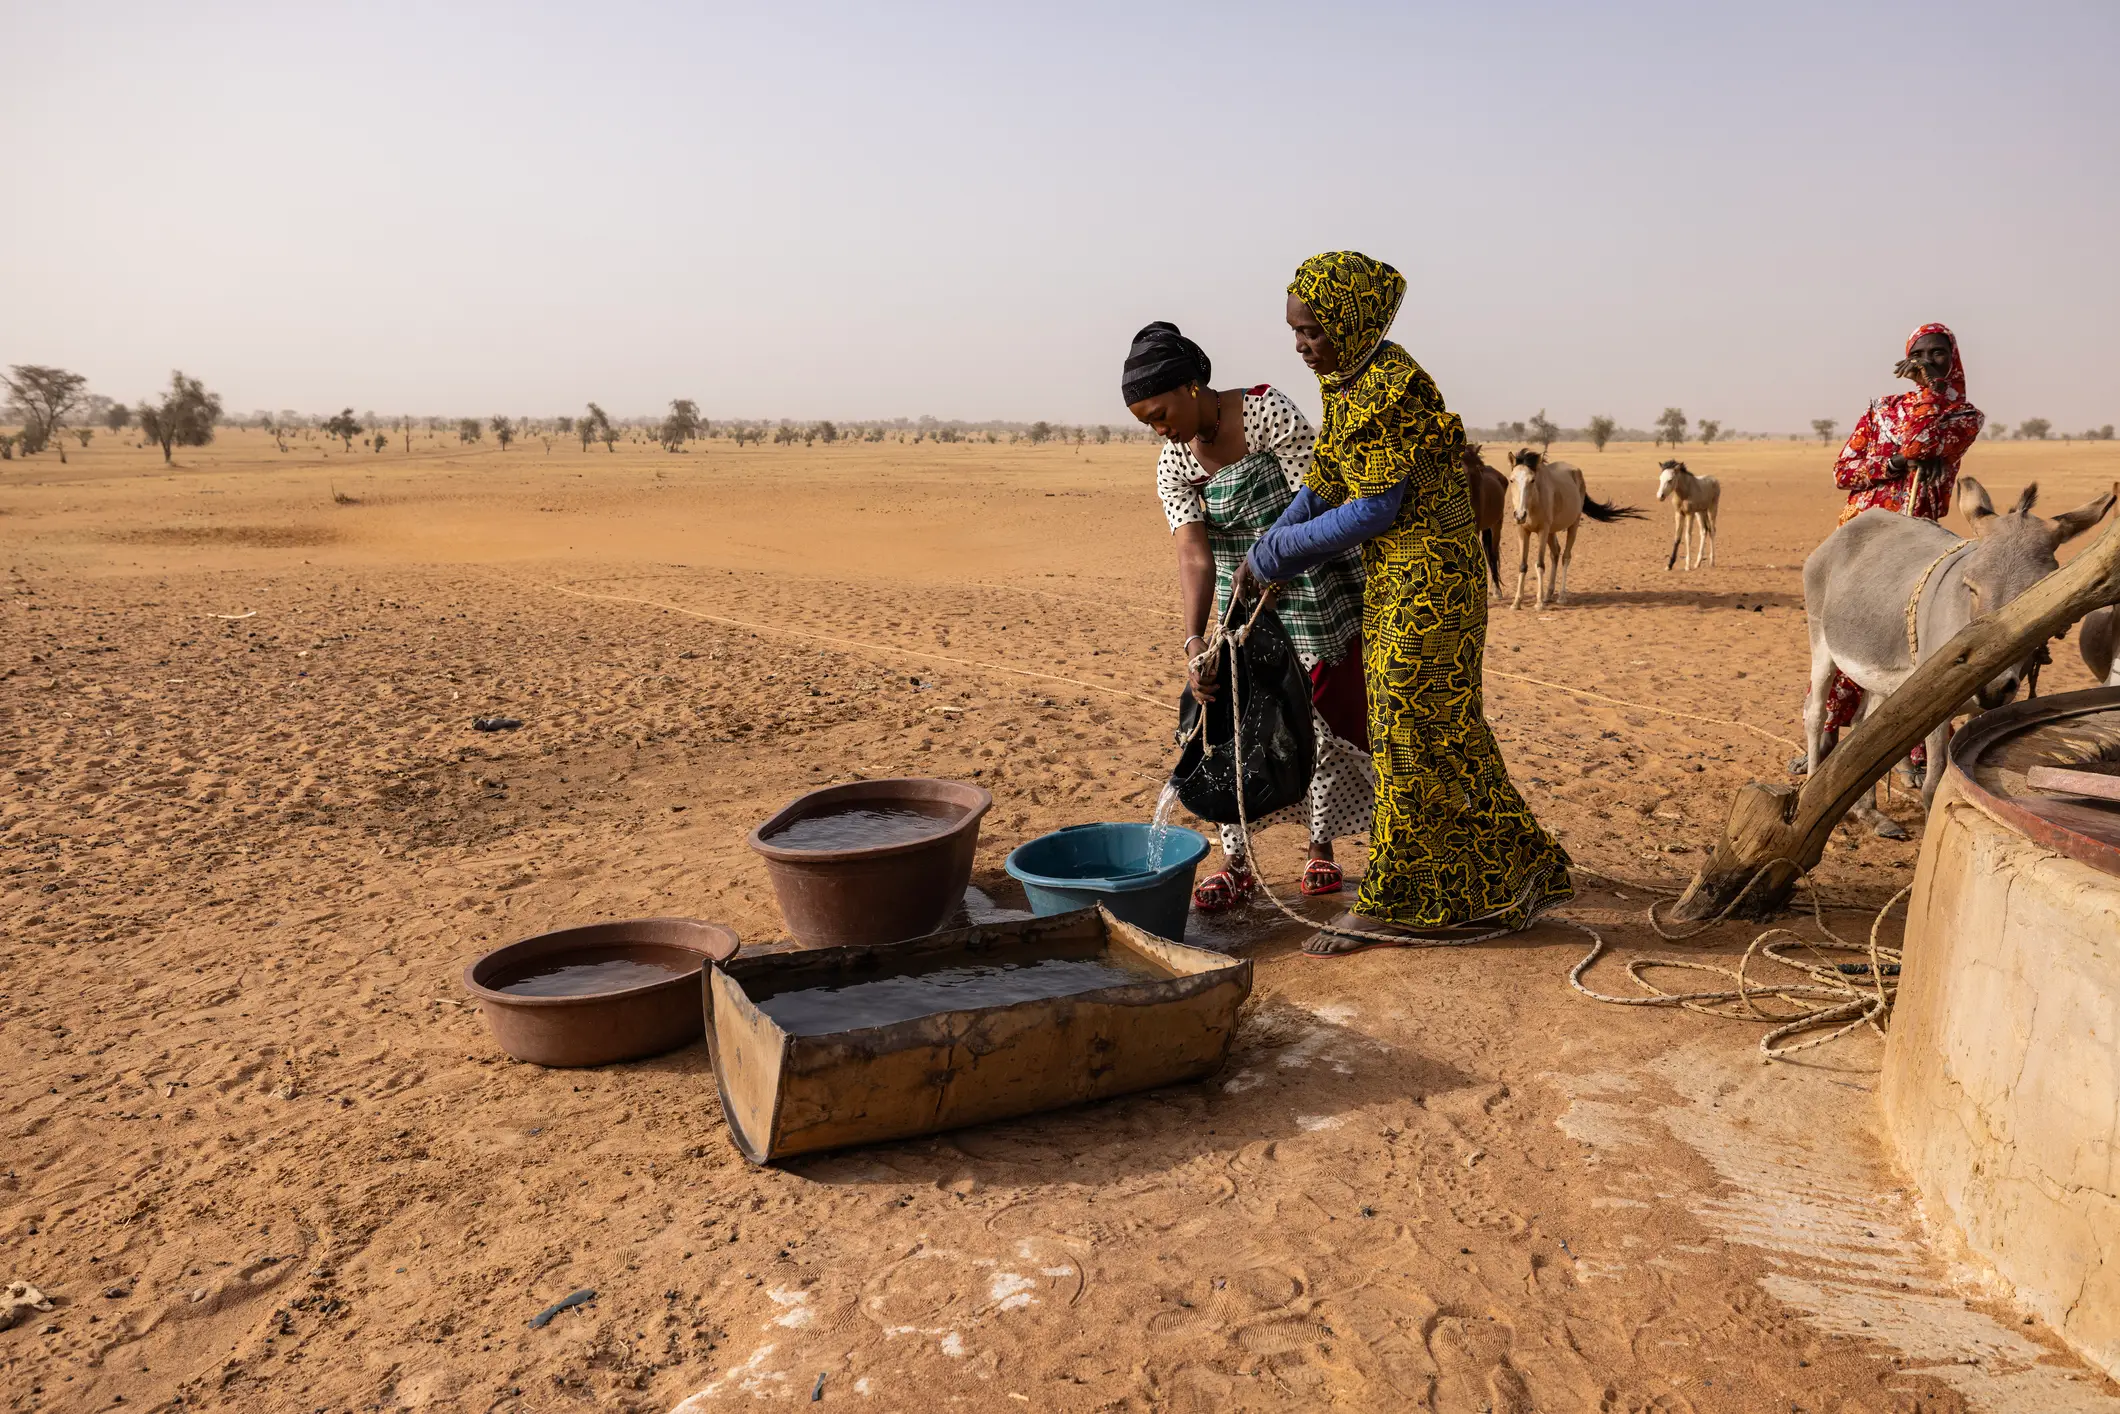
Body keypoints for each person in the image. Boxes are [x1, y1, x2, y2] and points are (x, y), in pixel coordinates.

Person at [1235, 253, 1572, 953]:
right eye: (1295, 332)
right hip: (1399, 577)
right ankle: (1509, 873)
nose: (1302, 345)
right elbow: (1327, 478)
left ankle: (1393, 901)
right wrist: (1268, 543)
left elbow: (1372, 509)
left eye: (1313, 331)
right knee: (1437, 727)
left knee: (1411, 730)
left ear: (1352, 321)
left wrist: (1278, 556)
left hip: (1431, 582)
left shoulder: (1388, 386)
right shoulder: (1350, 380)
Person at [1122, 321, 1375, 911]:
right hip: (1244, 606)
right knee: (1235, 725)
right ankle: (1238, 863)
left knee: (1319, 717)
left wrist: (1277, 561)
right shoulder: (1173, 463)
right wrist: (1194, 642)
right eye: (1147, 424)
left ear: (1190, 386)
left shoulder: (1267, 414)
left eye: (1161, 414)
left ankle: (1321, 849)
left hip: (1312, 585)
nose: (1160, 430)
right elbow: (1193, 553)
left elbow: (1318, 502)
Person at [1801, 323, 1986, 775]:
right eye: (1920, 354)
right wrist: (1893, 466)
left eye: (1938, 353)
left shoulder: (1963, 417)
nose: (1929, 361)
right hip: (1860, 534)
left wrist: (1928, 394)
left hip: (1913, 539)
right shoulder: (1881, 409)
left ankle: (1913, 752)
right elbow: (1843, 471)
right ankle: (1825, 738)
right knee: (1844, 632)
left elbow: (1919, 441)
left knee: (1905, 638)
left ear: (1953, 358)